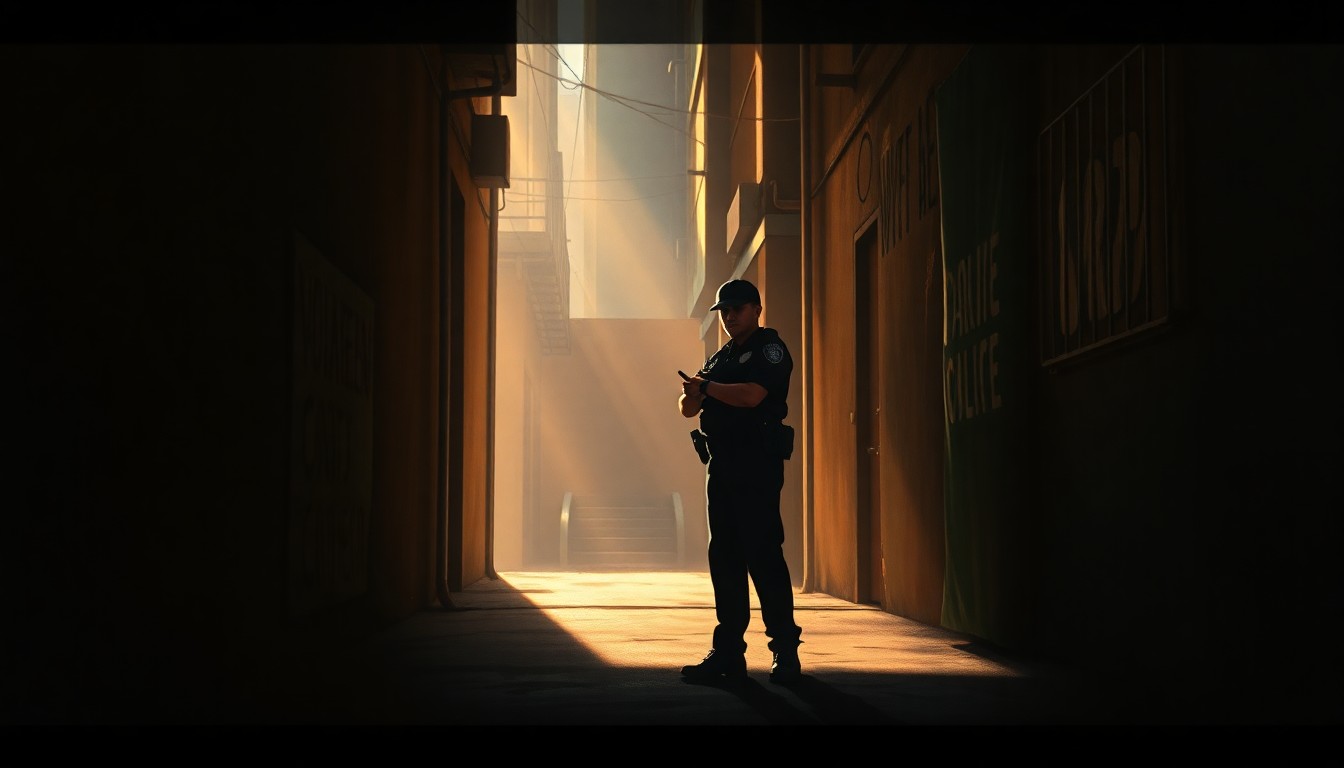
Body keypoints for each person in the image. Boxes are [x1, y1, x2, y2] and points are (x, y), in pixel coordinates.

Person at [678, 278, 802, 684]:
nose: (729, 317)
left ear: (756, 309)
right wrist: (694, 394)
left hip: (756, 463)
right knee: (725, 559)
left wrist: (707, 389)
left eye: (737, 309)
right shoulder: (720, 357)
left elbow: (752, 396)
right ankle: (728, 652)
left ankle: (785, 651)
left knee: (763, 555)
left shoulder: (769, 349)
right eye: (724, 311)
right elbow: (687, 408)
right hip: (723, 463)